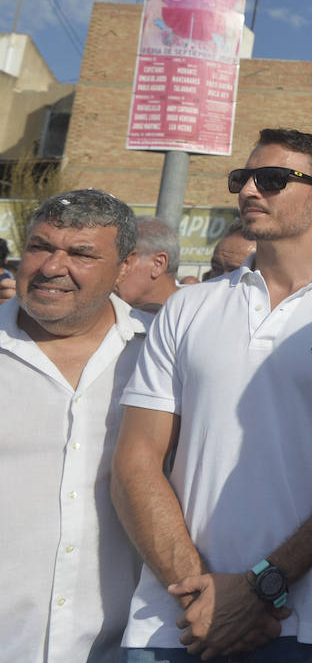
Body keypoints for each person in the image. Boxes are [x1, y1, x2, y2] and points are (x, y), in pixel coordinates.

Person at [112, 128, 312, 662]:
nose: (249, 190)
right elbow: (136, 458)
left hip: (306, 623)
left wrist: (257, 589)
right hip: (174, 619)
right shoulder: (188, 306)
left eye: (271, 179)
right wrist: (201, 592)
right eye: (241, 178)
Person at [0, 189, 146, 662]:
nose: (50, 267)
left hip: (119, 647)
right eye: (41, 246)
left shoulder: (159, 354)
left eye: (81, 253)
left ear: (125, 266)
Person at [115, 216, 182, 312]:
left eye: (124, 261)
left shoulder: (198, 315)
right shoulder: (106, 317)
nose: (111, 272)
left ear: (158, 264)